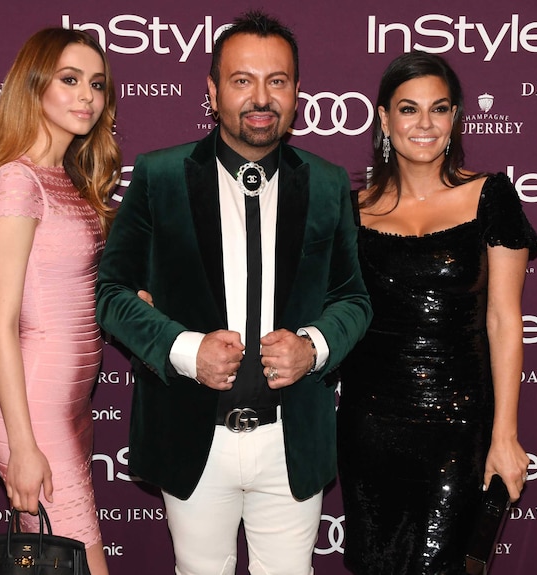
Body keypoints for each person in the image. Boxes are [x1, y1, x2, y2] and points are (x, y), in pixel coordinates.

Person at [95, 10, 371, 575]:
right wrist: (183, 348)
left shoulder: (327, 183)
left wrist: (312, 347)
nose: (260, 97)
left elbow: (354, 299)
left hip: (290, 438)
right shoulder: (159, 176)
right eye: (242, 80)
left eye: (278, 80)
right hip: (193, 432)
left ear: (296, 91)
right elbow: (111, 292)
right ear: (213, 90)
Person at [337, 51, 537, 575]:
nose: (424, 124)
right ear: (383, 118)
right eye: (408, 109)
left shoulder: (490, 196)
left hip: (459, 422)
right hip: (370, 423)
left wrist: (505, 434)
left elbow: (503, 319)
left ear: (455, 118)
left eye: (439, 108)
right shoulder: (352, 209)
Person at [0, 27, 120, 575]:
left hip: (70, 405)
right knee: (86, 566)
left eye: (97, 84)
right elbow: (1, 326)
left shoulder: (66, 180)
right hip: (31, 413)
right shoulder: (17, 181)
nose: (87, 96)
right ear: (34, 88)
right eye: (70, 80)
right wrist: (25, 446)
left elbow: (76, 291)